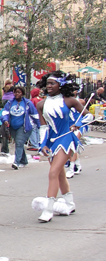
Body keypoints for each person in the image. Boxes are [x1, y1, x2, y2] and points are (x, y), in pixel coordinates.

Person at [35, 71, 84, 222]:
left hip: (66, 139)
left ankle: (48, 209)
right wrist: (42, 145)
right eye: (47, 83)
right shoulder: (41, 104)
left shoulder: (69, 101)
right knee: (60, 173)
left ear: (61, 85)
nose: (49, 86)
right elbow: (43, 127)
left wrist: (78, 124)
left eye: (52, 83)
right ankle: (70, 203)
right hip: (51, 140)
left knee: (53, 173)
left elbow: (87, 115)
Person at [2, 86, 39, 170]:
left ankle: (16, 162)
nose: (16, 94)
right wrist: (5, 120)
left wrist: (40, 126)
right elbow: (5, 112)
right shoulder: (10, 103)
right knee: (20, 144)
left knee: (19, 142)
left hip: (24, 127)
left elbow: (35, 115)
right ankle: (24, 161)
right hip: (13, 127)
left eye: (18, 92)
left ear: (22, 93)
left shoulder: (27, 103)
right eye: (15, 92)